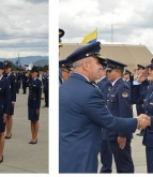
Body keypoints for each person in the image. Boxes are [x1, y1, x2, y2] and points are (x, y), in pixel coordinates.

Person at [59, 42, 139, 173]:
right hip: (81, 159)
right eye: (98, 64)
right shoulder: (89, 91)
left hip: (65, 154)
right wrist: (138, 122)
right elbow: (109, 121)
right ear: (86, 65)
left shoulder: (64, 87)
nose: (101, 68)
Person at [103, 59, 134, 173]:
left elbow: (125, 113)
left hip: (119, 134)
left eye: (110, 71)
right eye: (107, 71)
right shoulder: (114, 87)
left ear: (119, 72)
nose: (107, 73)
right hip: (112, 133)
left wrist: (122, 134)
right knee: (119, 163)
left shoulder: (122, 88)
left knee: (124, 165)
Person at [28, 66, 42, 144]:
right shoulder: (31, 81)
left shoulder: (39, 82)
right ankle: (32, 136)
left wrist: (38, 107)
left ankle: (35, 137)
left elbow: (39, 95)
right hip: (30, 103)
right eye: (31, 72)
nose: (32, 73)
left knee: (35, 120)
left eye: (33, 72)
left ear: (36, 73)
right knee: (31, 120)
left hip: (35, 103)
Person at [4, 61, 16, 138]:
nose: (6, 69)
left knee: (10, 116)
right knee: (5, 115)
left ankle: (9, 132)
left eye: (7, 68)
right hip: (4, 98)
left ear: (10, 68)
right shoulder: (4, 75)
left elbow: (14, 89)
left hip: (10, 98)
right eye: (5, 68)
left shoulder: (13, 76)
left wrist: (13, 100)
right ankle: (6, 131)